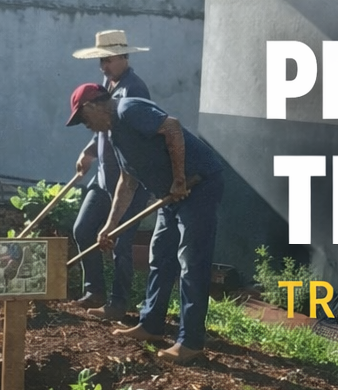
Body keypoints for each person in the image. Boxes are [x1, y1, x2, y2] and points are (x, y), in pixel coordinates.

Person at [65, 83, 226, 362]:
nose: (85, 125)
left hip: (197, 186)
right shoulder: (115, 134)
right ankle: (151, 325)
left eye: (83, 118)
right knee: (160, 256)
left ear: (93, 106)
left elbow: (172, 127)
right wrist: (110, 226)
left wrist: (178, 179)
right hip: (172, 194)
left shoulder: (129, 109)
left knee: (190, 262)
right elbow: (127, 183)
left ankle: (190, 342)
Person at [68, 30, 153, 319]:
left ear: (123, 57)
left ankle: (118, 304)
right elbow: (100, 125)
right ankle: (95, 291)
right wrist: (89, 151)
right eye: (101, 61)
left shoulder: (134, 91)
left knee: (122, 242)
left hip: (128, 181)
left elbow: (136, 138)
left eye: (107, 60)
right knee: (82, 229)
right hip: (104, 177)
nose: (103, 66)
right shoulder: (108, 83)